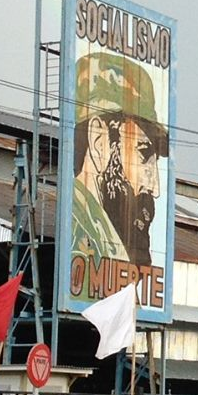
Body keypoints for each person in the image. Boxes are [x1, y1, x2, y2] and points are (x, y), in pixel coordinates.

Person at [68, 51, 170, 295]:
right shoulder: (78, 240)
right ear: (99, 141)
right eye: (144, 154)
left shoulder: (102, 242)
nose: (155, 187)